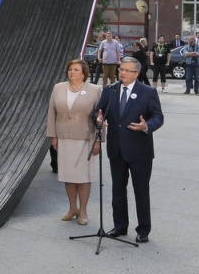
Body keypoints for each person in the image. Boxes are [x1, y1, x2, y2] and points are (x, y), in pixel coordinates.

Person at [95, 57, 164, 243]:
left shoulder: (148, 92)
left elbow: (158, 117)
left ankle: (143, 230)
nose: (122, 73)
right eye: (121, 69)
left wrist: (146, 125)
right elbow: (98, 111)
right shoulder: (110, 90)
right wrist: (98, 119)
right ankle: (120, 226)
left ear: (136, 73)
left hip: (140, 151)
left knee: (141, 191)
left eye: (127, 70)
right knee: (118, 190)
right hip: (116, 150)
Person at [47, 59, 102, 226]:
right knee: (68, 176)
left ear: (84, 73)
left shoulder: (94, 90)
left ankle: (83, 210)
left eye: (76, 70)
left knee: (83, 177)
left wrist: (99, 140)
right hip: (64, 138)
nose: (72, 72)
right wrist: (53, 136)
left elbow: (101, 116)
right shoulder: (58, 88)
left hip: (86, 139)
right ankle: (72, 208)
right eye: (70, 69)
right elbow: (51, 113)